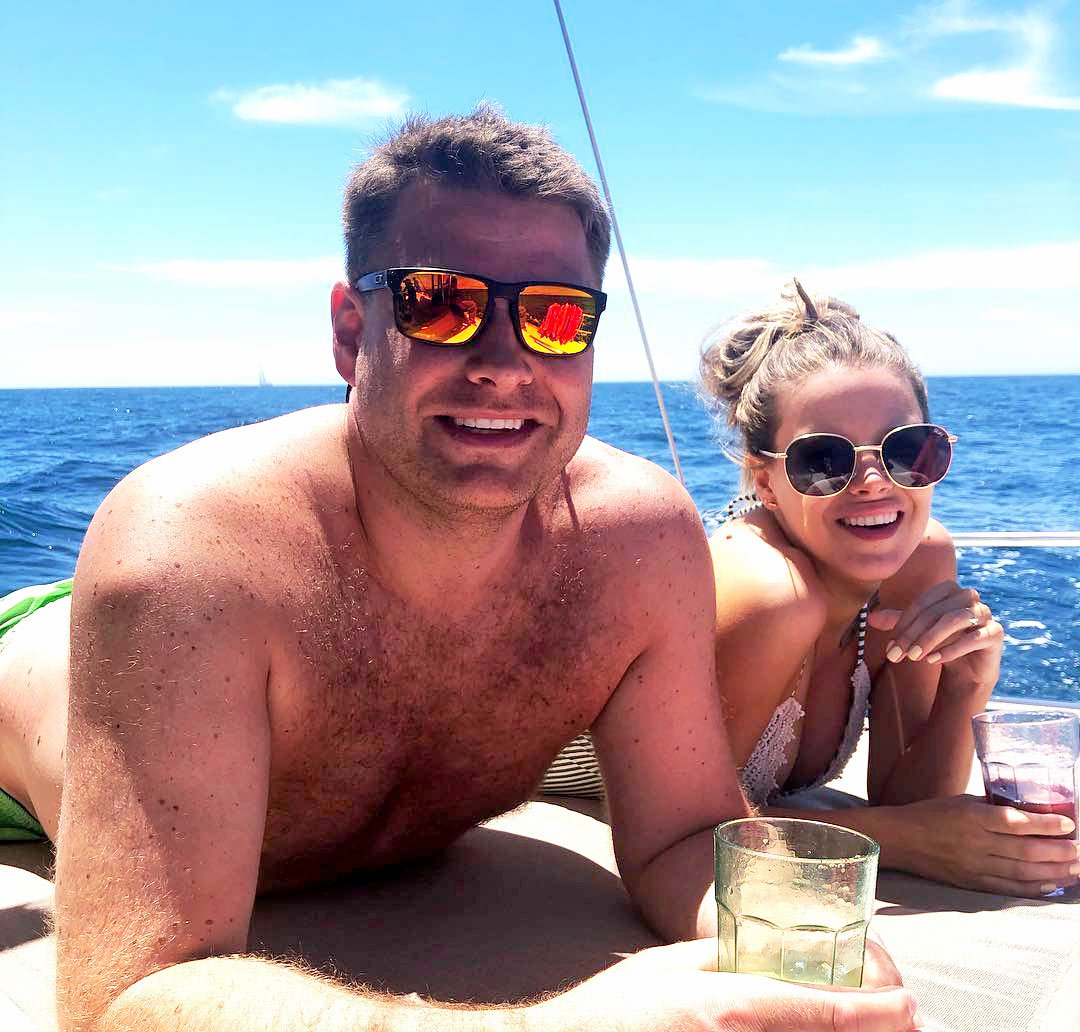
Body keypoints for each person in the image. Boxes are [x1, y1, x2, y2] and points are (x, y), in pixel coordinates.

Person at [0, 109, 917, 1032]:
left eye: (556, 316)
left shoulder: (638, 542)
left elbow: (682, 836)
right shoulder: (194, 555)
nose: (504, 365)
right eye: (441, 304)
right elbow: (123, 999)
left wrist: (788, 943)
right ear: (351, 332)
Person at [701, 280, 1079, 897]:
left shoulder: (919, 561)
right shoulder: (767, 590)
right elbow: (689, 831)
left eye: (908, 450)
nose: (875, 481)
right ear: (765, 482)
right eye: (823, 460)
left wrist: (965, 688)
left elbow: (910, 802)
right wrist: (903, 841)